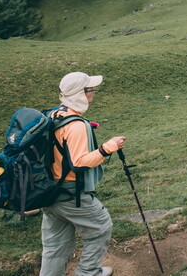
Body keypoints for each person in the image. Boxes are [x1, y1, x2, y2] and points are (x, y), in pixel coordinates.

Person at [40, 72, 126, 276]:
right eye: (90, 89)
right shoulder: (76, 125)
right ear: (80, 94)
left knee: (55, 245)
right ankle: (88, 273)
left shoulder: (54, 115)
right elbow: (79, 163)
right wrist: (108, 148)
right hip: (71, 194)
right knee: (101, 227)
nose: (93, 92)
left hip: (49, 192)